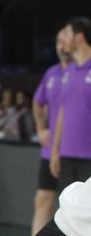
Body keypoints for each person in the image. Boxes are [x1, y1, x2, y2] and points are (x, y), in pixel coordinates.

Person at [31, 27, 71, 236]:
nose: (60, 46)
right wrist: (40, 128)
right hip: (50, 151)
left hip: (75, 150)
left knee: (72, 208)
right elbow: (37, 103)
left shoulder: (83, 71)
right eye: (57, 41)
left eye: (64, 40)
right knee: (43, 199)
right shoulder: (52, 73)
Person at [50, 17, 91, 196]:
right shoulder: (69, 71)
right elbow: (62, 112)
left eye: (67, 33)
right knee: (65, 214)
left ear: (79, 38)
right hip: (67, 155)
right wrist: (55, 150)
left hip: (89, 156)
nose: (63, 39)